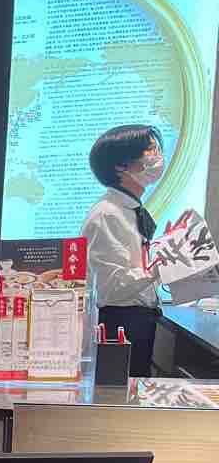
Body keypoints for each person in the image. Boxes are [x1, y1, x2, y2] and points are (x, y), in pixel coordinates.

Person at [82, 125, 166, 376]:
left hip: (139, 320)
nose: (158, 156)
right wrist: (160, 266)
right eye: (150, 150)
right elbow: (110, 288)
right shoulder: (107, 214)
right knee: (117, 392)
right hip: (119, 322)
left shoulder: (129, 209)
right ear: (121, 166)